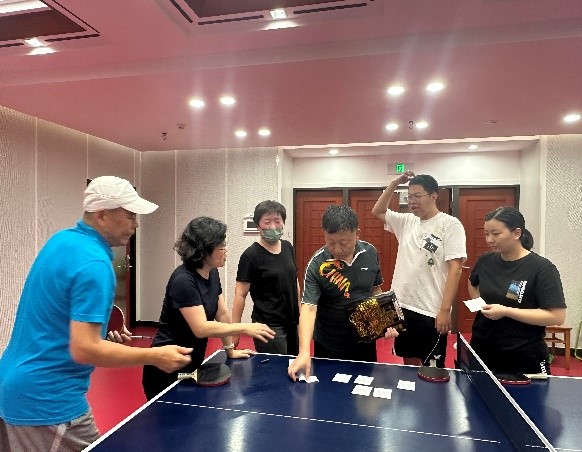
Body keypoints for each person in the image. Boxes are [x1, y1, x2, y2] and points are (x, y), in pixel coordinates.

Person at [0, 176, 193, 452]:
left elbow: (58, 315)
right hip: (48, 400)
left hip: (12, 383)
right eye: (129, 215)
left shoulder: (62, 241)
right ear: (102, 215)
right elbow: (84, 350)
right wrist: (155, 356)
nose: (135, 224)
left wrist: (102, 338)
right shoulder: (95, 263)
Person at [142, 217, 276, 400]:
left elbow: (222, 314)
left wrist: (230, 349)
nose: (226, 251)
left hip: (190, 364)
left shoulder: (212, 273)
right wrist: (245, 327)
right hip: (165, 368)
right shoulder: (183, 280)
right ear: (204, 250)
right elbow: (201, 328)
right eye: (221, 246)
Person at [288, 205, 399, 381]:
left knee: (363, 392)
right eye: (331, 242)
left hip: (365, 341)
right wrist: (303, 351)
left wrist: (385, 322)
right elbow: (308, 308)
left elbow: (375, 289)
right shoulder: (317, 264)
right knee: (329, 392)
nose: (337, 249)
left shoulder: (370, 253)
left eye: (344, 243)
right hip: (329, 344)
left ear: (357, 234)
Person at [371, 171, 467, 368]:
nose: (412, 201)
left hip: (430, 310)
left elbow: (456, 269)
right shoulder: (407, 221)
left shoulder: (450, 224)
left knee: (432, 369)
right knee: (408, 363)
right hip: (401, 306)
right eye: (409, 197)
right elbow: (378, 211)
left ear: (433, 196)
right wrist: (394, 183)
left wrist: (445, 310)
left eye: (417, 196)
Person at [468, 206, 566, 375]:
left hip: (523, 355)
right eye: (486, 234)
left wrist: (506, 311)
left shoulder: (542, 268)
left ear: (517, 233)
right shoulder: (485, 260)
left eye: (496, 234)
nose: (489, 239)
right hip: (482, 348)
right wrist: (479, 303)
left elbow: (557, 316)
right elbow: (472, 282)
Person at [231, 200, 300, 355]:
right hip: (268, 325)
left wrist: (300, 313)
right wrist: (235, 331)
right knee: (276, 367)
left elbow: (294, 281)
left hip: (291, 321)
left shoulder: (288, 247)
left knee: (294, 364)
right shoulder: (250, 255)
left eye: (277, 221)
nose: (273, 227)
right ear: (258, 226)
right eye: (267, 222)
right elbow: (240, 294)